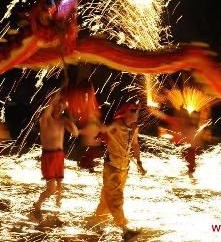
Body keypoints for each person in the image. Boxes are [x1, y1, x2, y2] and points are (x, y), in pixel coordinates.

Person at [88, 102, 146, 241]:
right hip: (112, 166)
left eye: (138, 111)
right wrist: (101, 128)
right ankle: (125, 229)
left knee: (107, 196)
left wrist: (139, 163)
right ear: (127, 113)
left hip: (124, 167)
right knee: (116, 197)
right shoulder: (117, 124)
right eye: (135, 111)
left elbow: (135, 144)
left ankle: (97, 222)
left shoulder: (134, 128)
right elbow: (105, 129)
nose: (137, 114)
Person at [32, 87, 79, 219]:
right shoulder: (46, 119)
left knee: (59, 187)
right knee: (51, 189)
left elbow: (75, 133)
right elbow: (50, 104)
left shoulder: (62, 121)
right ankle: (37, 205)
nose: (59, 107)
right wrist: (61, 89)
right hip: (48, 155)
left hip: (59, 155)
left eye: (62, 106)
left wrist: (70, 119)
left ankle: (57, 212)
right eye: (57, 105)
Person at [152, 107, 204, 179]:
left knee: (191, 163)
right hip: (178, 145)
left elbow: (194, 136)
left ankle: (190, 174)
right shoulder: (177, 121)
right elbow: (164, 117)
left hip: (188, 147)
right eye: (180, 114)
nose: (182, 116)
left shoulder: (189, 124)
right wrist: (155, 111)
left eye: (183, 115)